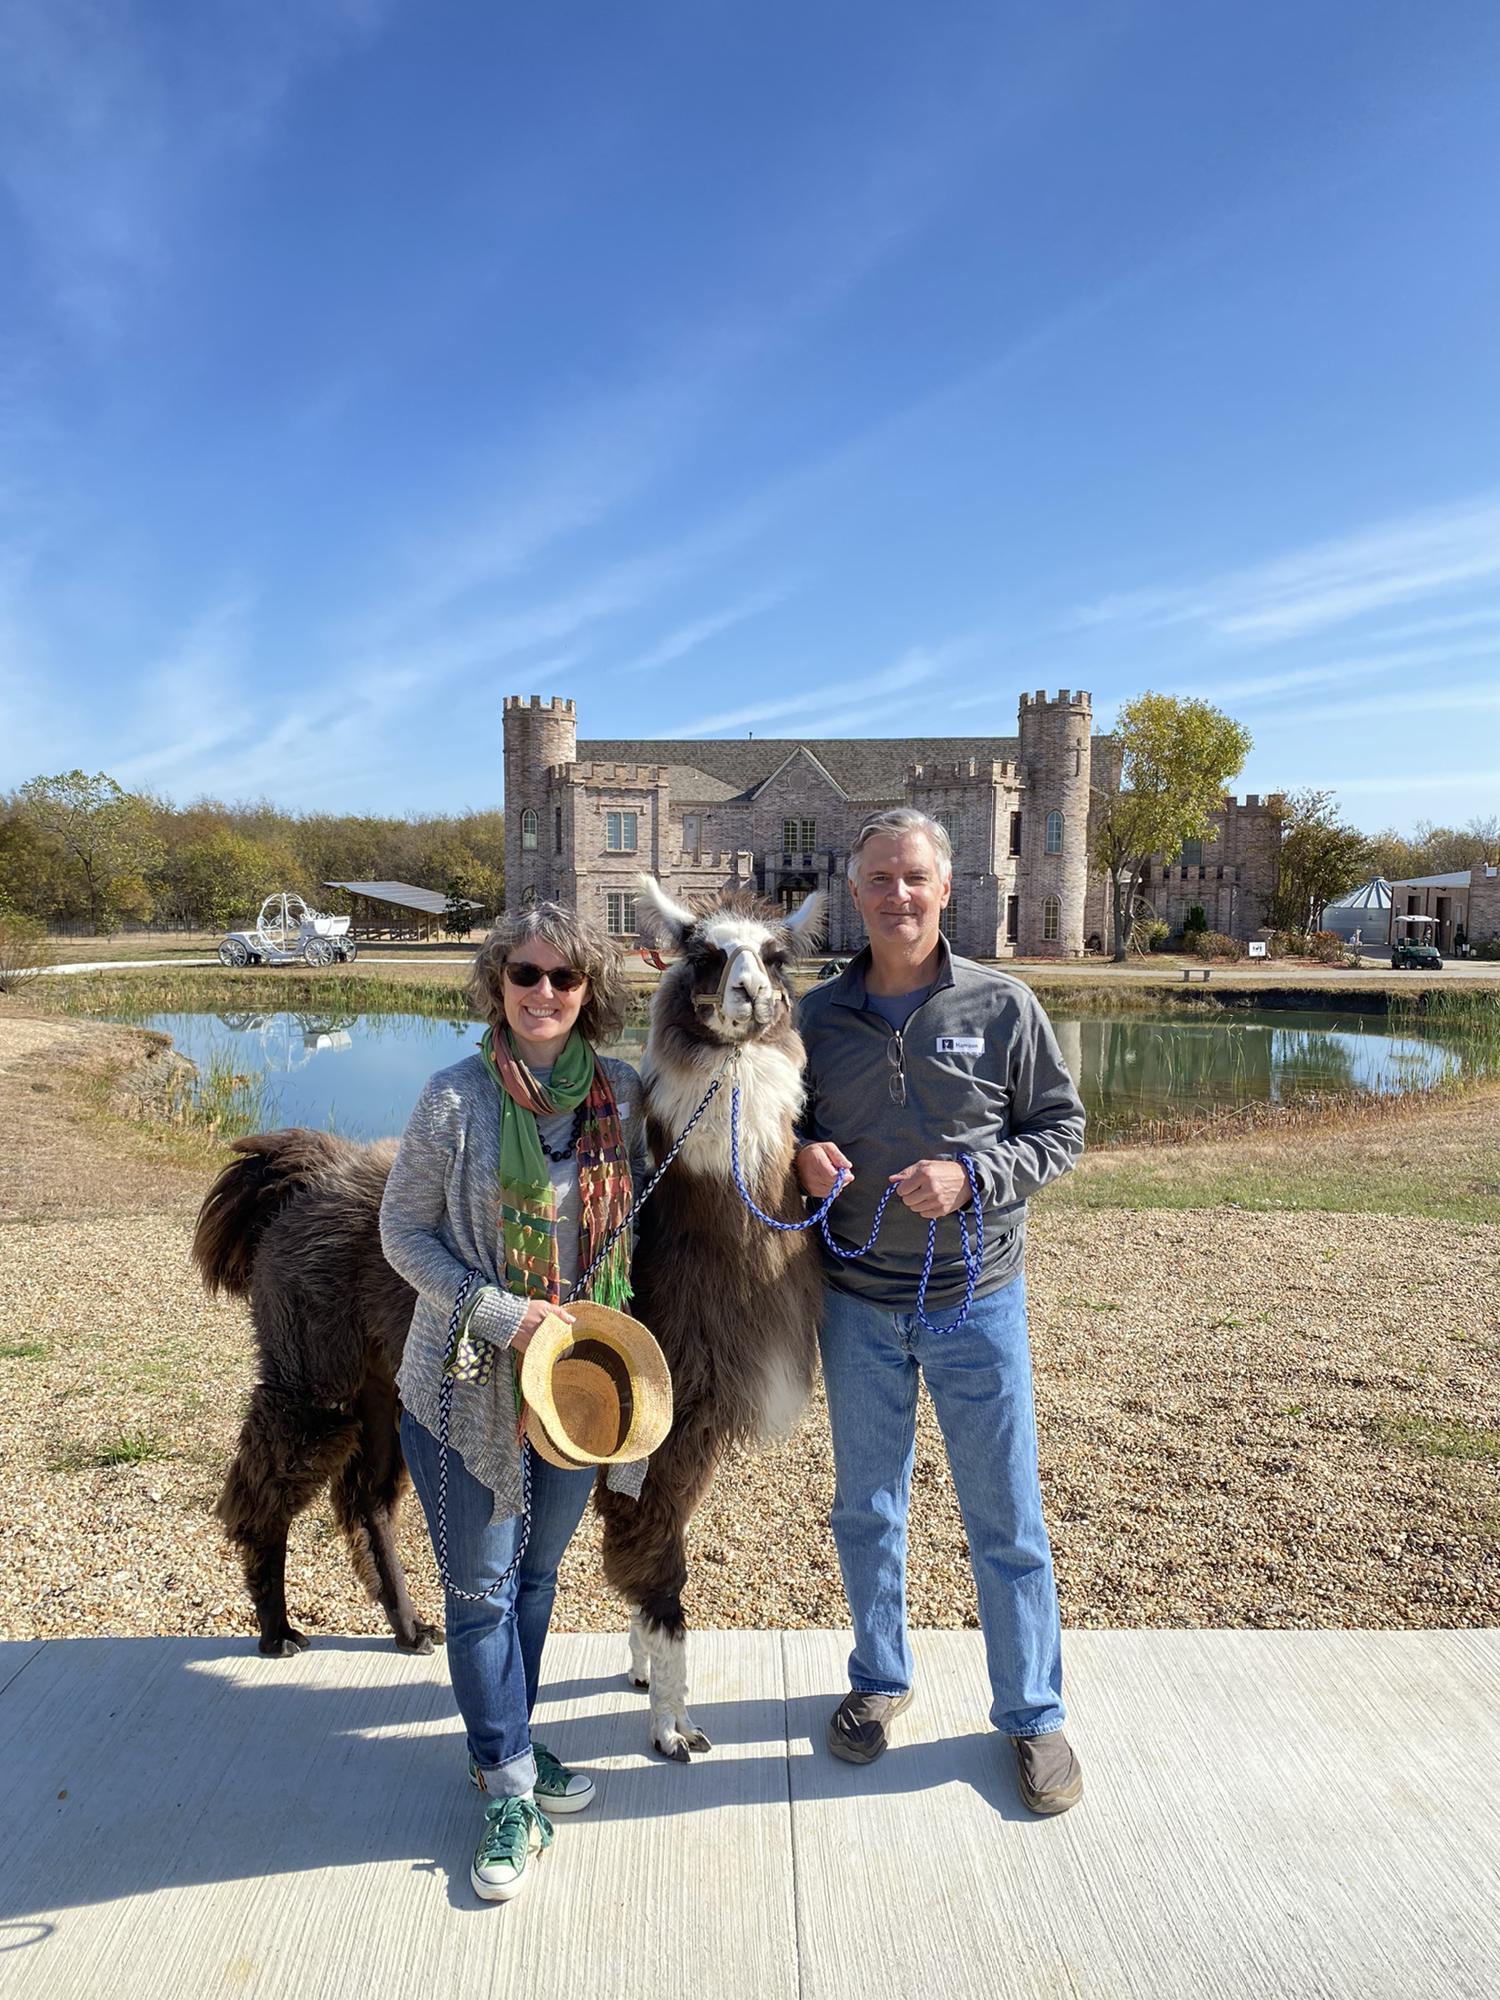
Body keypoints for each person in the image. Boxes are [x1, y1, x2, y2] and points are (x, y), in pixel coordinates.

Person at [795, 809, 1088, 1813]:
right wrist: (801, 1155)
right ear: (855, 888)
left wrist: (974, 1175)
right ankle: (879, 1680)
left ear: (946, 886)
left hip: (976, 1300)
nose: (897, 895)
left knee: (1006, 1515)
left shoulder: (1003, 1005)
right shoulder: (815, 1017)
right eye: (879, 878)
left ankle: (1035, 1715)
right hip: (858, 1305)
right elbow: (780, 1120)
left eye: (914, 877)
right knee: (866, 1509)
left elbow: (1059, 1130)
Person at [380, 902, 648, 1901]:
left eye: (564, 977)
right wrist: (499, 1312)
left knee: (535, 1582)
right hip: (465, 1387)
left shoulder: (617, 1092)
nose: (543, 992)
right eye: (525, 974)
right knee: (482, 1590)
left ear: (589, 991)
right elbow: (401, 1234)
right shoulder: (453, 1100)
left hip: (576, 1386)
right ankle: (504, 1786)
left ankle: (511, 1746)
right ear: (496, 981)